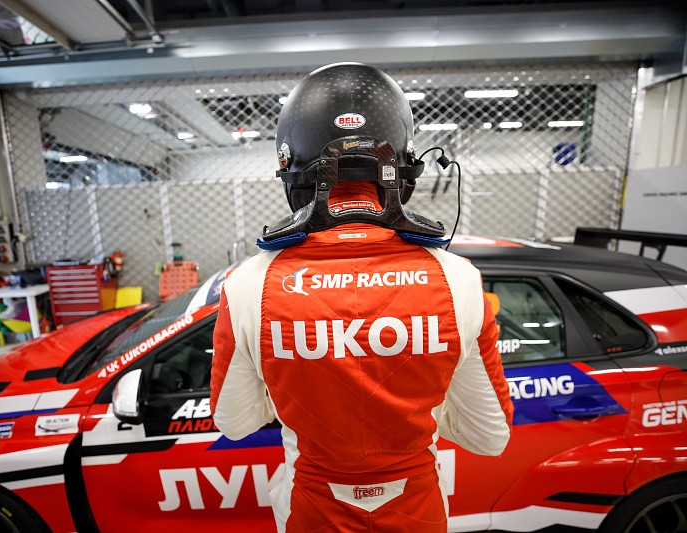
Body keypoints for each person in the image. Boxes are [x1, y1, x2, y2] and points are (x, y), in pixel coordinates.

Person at [210, 62, 513, 533]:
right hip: (419, 513)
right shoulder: (460, 280)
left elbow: (234, 422)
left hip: (308, 513)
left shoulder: (247, 285)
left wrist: (296, 387)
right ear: (405, 166)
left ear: (289, 168)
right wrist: (421, 409)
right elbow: (489, 436)